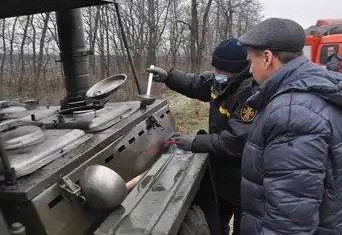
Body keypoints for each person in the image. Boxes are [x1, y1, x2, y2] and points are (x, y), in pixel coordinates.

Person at [238, 17, 342, 234]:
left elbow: (289, 221)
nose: (249, 70)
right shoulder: (313, 90)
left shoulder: (292, 113)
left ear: (267, 58)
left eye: (250, 61)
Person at [147, 38, 258, 235]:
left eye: (220, 70)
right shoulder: (220, 81)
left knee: (245, 228)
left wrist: (194, 142)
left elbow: (234, 141)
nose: (215, 74)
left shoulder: (249, 95)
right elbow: (195, 84)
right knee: (218, 220)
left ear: (236, 70)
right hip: (220, 170)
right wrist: (168, 77)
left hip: (243, 176)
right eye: (214, 68)